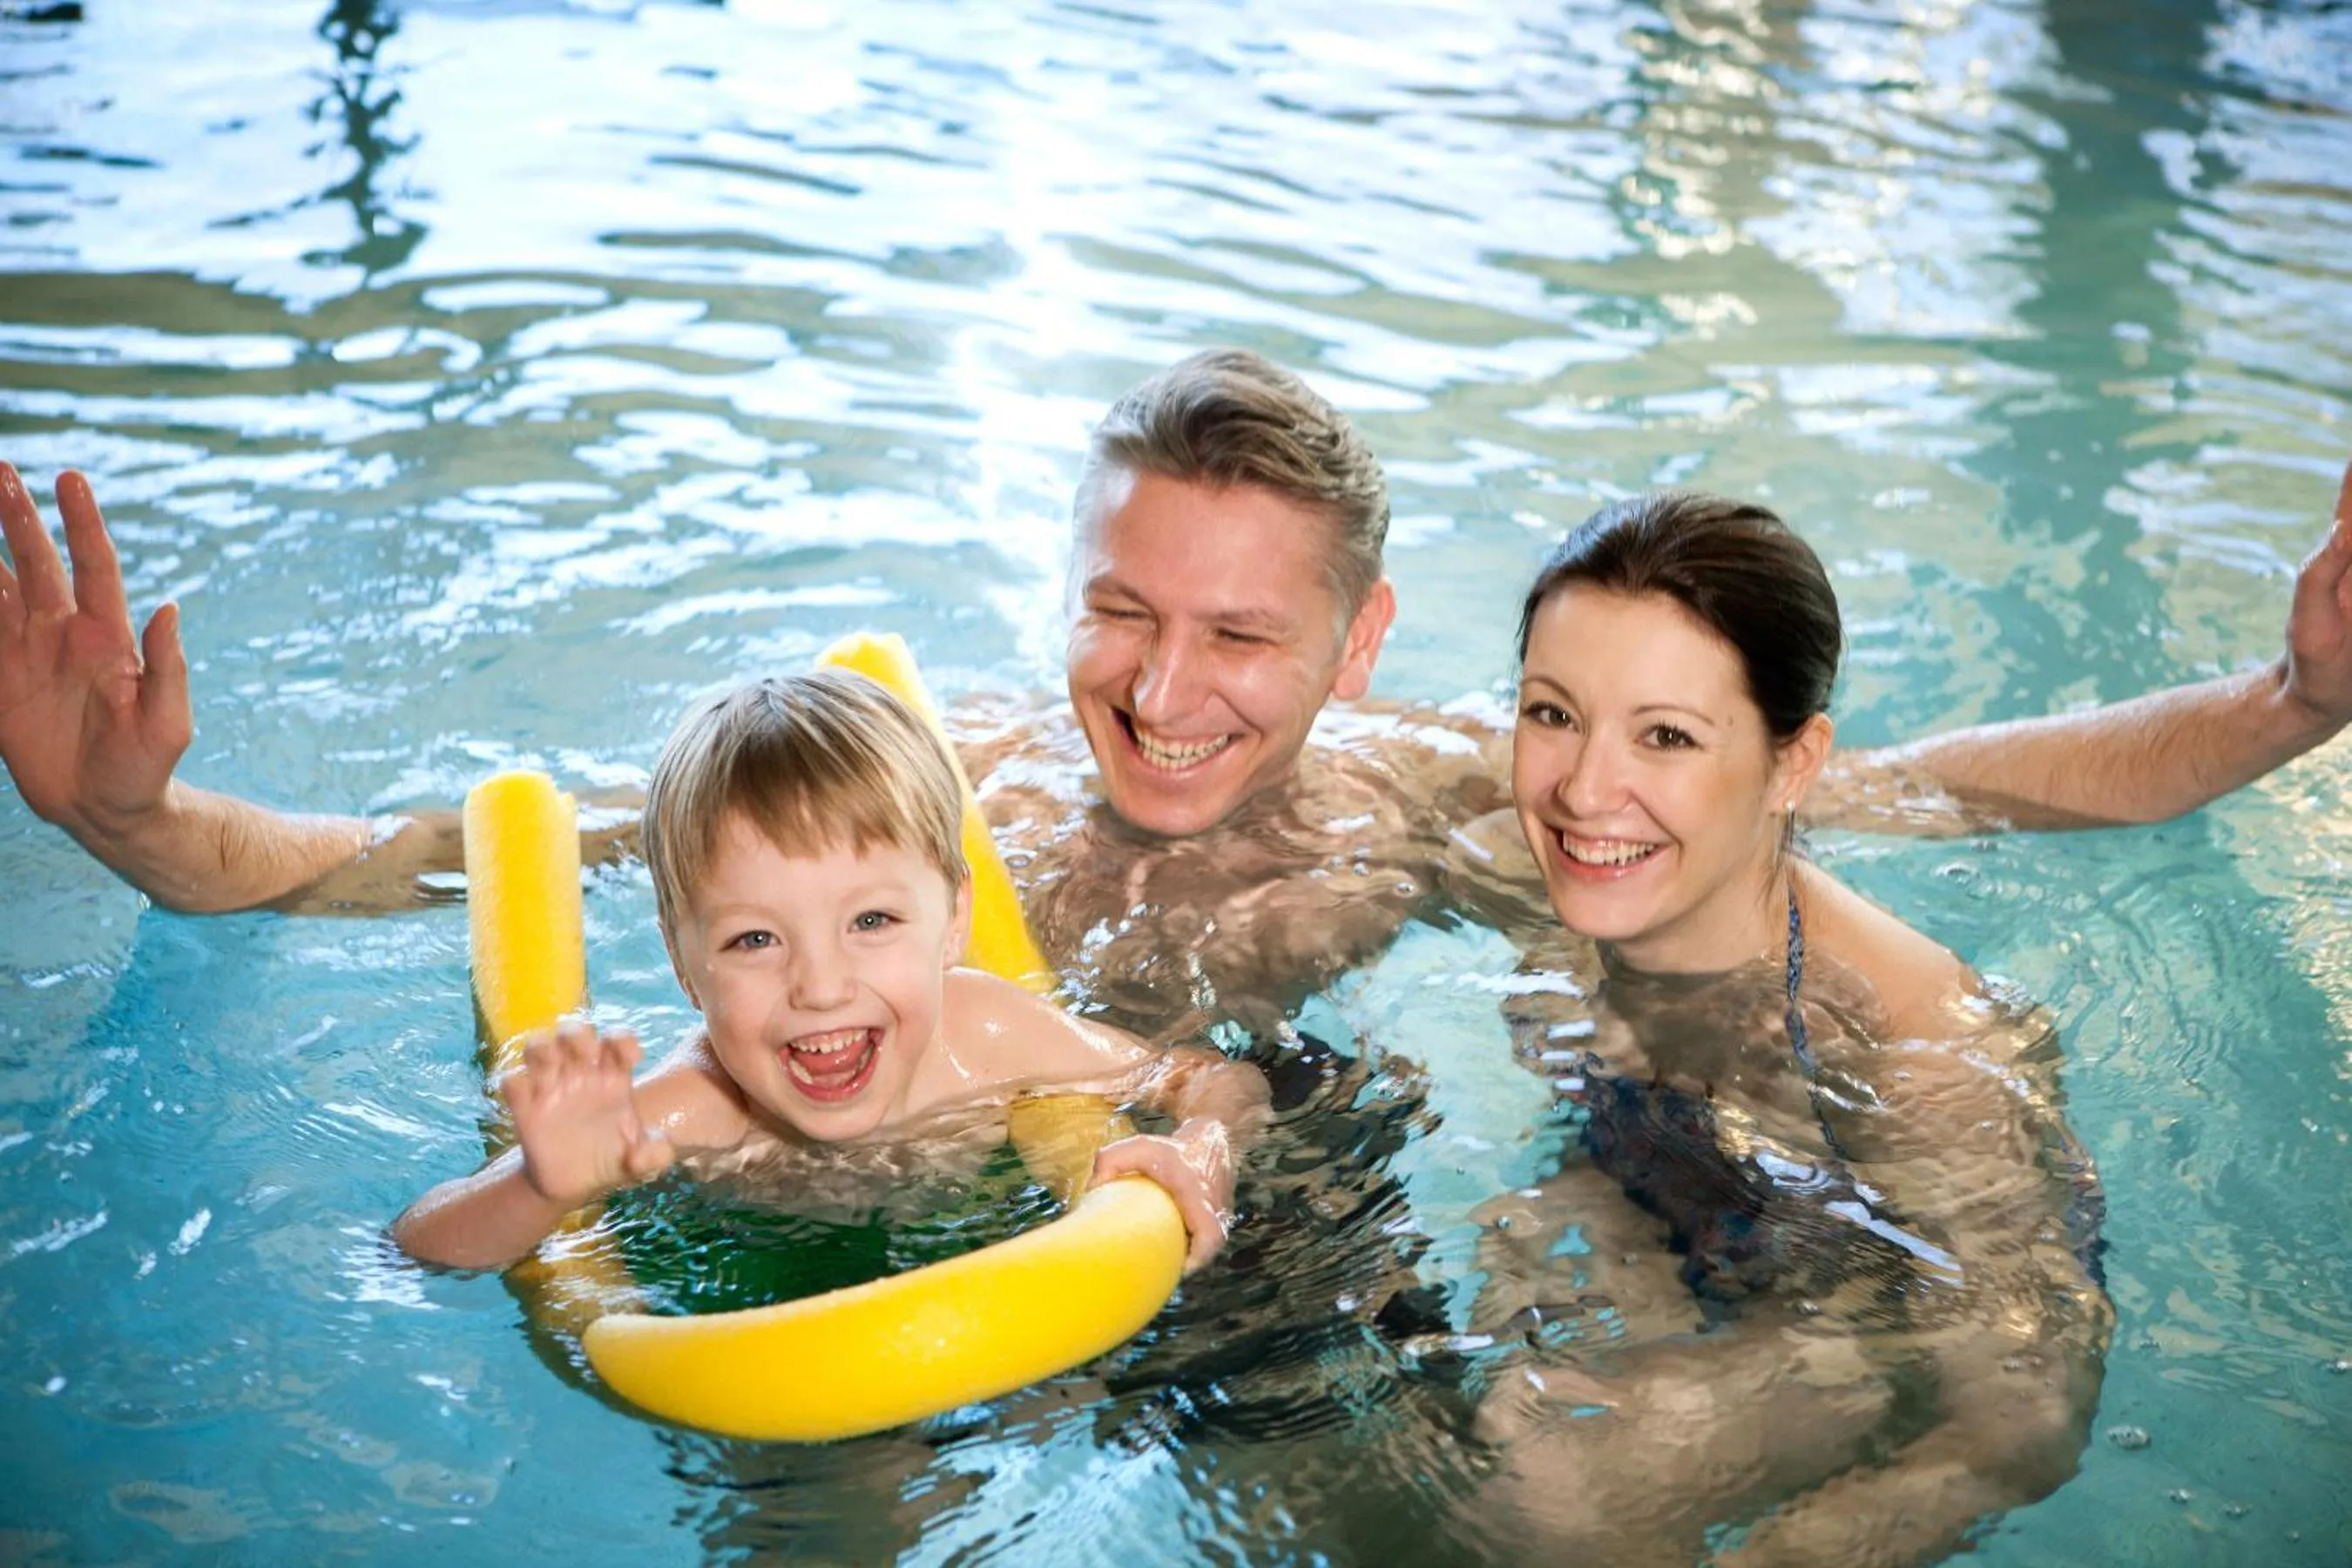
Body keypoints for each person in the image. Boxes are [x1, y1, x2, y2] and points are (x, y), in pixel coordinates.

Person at [3, 359, 2349, 1036]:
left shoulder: (1462, 798)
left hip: (1290, 1194)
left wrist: (2278, 697)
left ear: (1357, 642)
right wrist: (128, 822)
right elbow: (435, 867)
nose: (1162, 685)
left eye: (1242, 634)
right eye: (1124, 609)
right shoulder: (923, 794)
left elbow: (1935, 802)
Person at [1464, 493, 2109, 1566]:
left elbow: (2025, 1419)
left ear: (1794, 765)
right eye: (1551, 713)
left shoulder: (1904, 1050)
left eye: (1665, 735)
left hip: (1876, 1334)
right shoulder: (1555, 887)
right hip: (1707, 1245)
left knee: (1551, 1479)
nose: (1583, 789)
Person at [392, 670, 1269, 1274]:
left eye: (872, 921)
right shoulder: (687, 1113)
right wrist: (542, 1185)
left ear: (953, 919)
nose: (820, 986)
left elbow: (1208, 1078)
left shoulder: (993, 1035)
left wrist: (1208, 1146)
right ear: (682, 964)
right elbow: (419, 1243)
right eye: (754, 941)